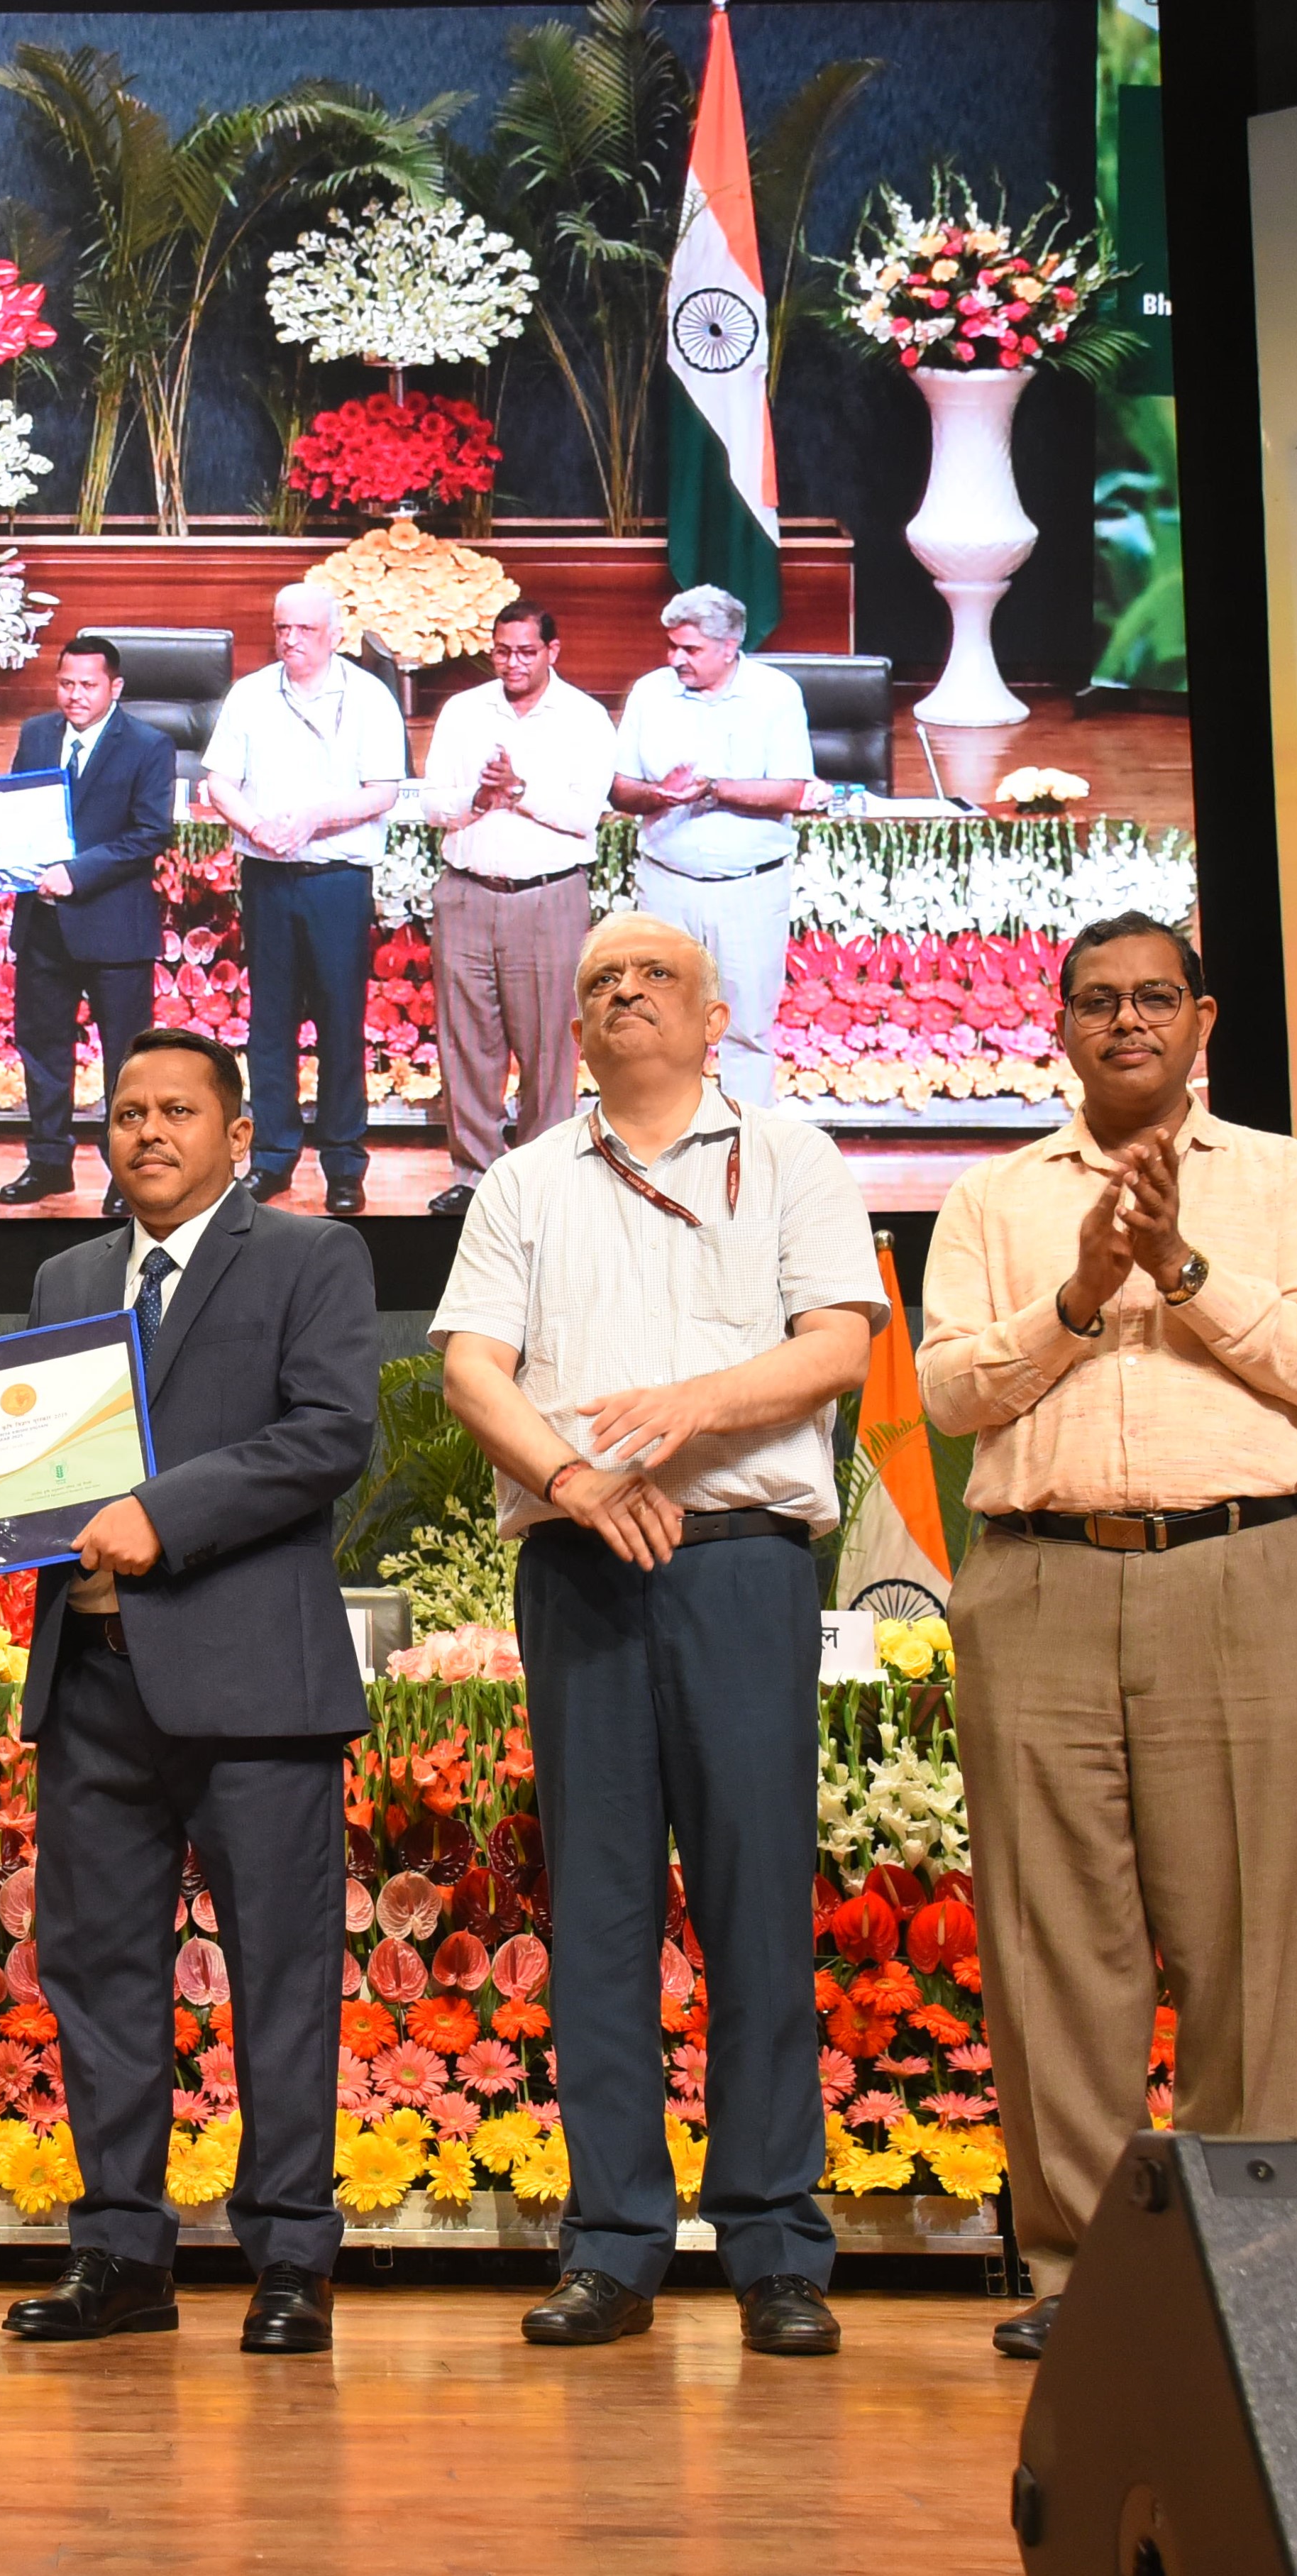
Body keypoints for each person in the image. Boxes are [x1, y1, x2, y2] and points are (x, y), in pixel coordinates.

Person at [434, 912, 878, 2357]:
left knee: (755, 1903)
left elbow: (837, 1342)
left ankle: (773, 2243)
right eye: (601, 982)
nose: (625, 993)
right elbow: (470, 1367)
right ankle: (613, 2242)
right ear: (575, 1027)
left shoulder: (791, 1153)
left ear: (712, 1014)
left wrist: (689, 1407)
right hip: (581, 1562)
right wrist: (572, 1478)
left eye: (655, 977)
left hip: (739, 1561)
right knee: (602, 1913)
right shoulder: (522, 1179)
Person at [920, 908, 1297, 2360]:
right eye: (1097, 999)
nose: (1125, 1020)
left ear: (1200, 1019)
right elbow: (947, 1394)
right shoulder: (991, 1195)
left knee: (1245, 1938)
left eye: (1153, 997)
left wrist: (1175, 1264)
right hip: (1037, 1578)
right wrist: (1075, 1296)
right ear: (1059, 1025)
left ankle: (1246, 2269)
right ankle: (1082, 2270)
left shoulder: (1281, 1177)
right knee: (1053, 1938)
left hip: (1234, 1567)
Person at [0, 1027, 375, 2353]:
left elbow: (328, 1432)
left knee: (282, 1976)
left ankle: (291, 2257)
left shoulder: (311, 1255)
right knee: (98, 1973)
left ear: (236, 1134)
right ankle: (121, 2254)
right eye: (127, 1110)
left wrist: (164, 1511)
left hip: (257, 1688)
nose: (146, 1129)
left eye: (177, 1109)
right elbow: (37, 1471)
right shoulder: (69, 1274)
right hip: (91, 1682)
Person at [199, 583, 408, 1218]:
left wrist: (314, 817)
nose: (289, 640)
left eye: (304, 630)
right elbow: (218, 781)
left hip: (336, 881)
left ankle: (342, 1161)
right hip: (268, 876)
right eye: (280, 628)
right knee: (269, 1023)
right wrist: (256, 826)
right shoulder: (250, 694)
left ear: (335, 636)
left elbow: (382, 791)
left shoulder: (369, 697)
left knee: (340, 1022)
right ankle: (271, 1157)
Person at [419, 600, 612, 1213]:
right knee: (466, 1041)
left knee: (549, 1044)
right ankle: (474, 1174)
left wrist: (519, 790)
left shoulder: (583, 717)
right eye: (502, 651)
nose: (513, 663)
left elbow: (583, 814)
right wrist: (479, 798)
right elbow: (431, 802)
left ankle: (541, 1179)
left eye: (526, 652)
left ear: (552, 651)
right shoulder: (463, 711)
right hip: (467, 893)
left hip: (547, 897)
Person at [608, 585, 818, 1106]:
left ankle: (746, 1142)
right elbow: (619, 789)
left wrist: (712, 789)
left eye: (690, 649)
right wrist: (659, 794)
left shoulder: (775, 694)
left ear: (729, 647)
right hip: (666, 887)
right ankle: (662, 1139)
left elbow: (791, 791)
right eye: (671, 646)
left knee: (746, 1030)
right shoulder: (649, 693)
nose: (675, 659)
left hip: (748, 891)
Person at [0, 635, 177, 1215]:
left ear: (114, 688)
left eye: (88, 685)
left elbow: (150, 833)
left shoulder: (149, 745)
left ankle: (126, 1172)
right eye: (66, 684)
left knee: (124, 1061)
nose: (74, 695)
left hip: (114, 929)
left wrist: (76, 873)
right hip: (43, 926)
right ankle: (48, 1162)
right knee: (42, 1049)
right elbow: (16, 814)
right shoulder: (35, 734)